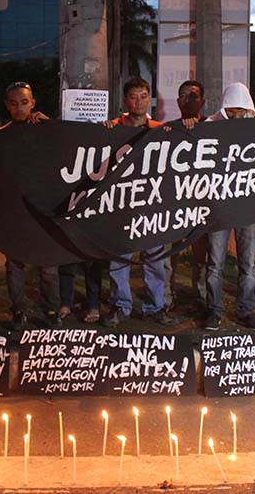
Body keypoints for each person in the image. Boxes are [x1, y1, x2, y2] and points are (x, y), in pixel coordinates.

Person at [102, 77, 177, 327]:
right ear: (125, 100)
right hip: (122, 203)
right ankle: (120, 305)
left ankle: (155, 306)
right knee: (120, 258)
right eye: (134, 97)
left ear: (149, 100)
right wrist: (100, 134)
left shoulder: (159, 128)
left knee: (155, 258)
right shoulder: (112, 127)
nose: (139, 101)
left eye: (143, 96)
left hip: (152, 204)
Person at [0, 81, 62, 329]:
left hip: (44, 210)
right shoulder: (2, 136)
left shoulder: (44, 129)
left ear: (33, 103)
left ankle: (52, 311)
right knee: (14, 264)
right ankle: (19, 311)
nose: (20, 109)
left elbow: (64, 153)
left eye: (24, 103)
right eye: (14, 104)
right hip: (14, 212)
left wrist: (50, 126)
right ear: (7, 106)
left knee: (48, 265)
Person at [202, 83, 255, 330]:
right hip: (219, 205)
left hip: (248, 206)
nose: (238, 115)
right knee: (215, 261)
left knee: (248, 263)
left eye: (242, 110)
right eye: (233, 110)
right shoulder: (210, 126)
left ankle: (246, 310)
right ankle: (214, 310)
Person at [166, 79, 208, 309]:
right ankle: (167, 296)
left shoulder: (214, 127)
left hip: (201, 202)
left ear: (203, 101)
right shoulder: (167, 129)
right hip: (174, 202)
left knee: (202, 254)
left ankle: (201, 295)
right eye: (184, 96)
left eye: (194, 96)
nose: (189, 100)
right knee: (170, 250)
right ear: (177, 101)